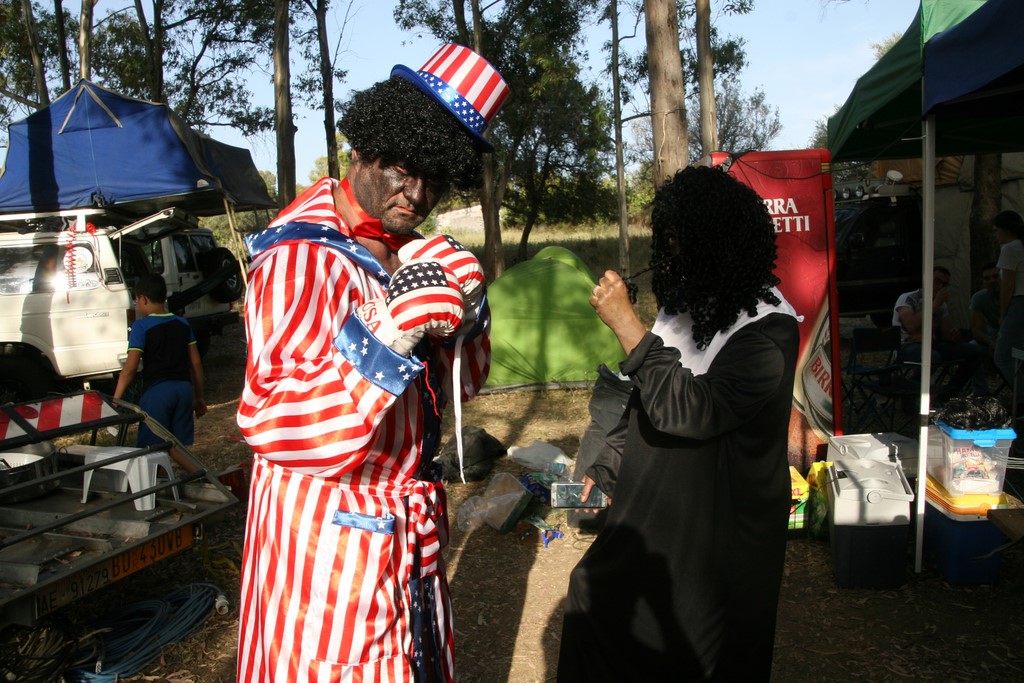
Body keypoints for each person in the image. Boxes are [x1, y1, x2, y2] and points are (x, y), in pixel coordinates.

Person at [234, 44, 508, 682]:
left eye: (435, 180)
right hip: (324, 549)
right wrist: (389, 333)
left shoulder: (412, 249)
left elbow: (460, 388)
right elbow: (275, 425)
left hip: (407, 537)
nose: (417, 195)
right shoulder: (299, 256)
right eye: (404, 171)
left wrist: (468, 318)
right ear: (363, 148)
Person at [557, 166, 800, 681]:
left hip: (718, 532)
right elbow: (645, 401)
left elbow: (691, 410)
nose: (674, 255)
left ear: (722, 243)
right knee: (592, 598)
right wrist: (607, 465)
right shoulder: (688, 306)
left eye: (685, 241)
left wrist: (628, 326)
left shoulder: (770, 330)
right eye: (668, 242)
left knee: (691, 653)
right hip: (658, 510)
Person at [113, 272, 207, 472]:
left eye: (136, 300)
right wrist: (199, 397)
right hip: (183, 389)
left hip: (157, 392)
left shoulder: (141, 326)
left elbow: (130, 368)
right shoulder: (183, 324)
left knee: (154, 448)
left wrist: (116, 399)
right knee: (176, 445)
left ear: (143, 299)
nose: (137, 305)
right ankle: (195, 477)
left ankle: (202, 476)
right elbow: (196, 363)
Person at [893, 265, 984, 400]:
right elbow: (910, 325)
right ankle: (909, 393)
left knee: (975, 351)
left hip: (933, 344)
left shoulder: (942, 305)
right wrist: (934, 305)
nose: (940, 287)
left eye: (945, 284)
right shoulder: (908, 298)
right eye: (937, 281)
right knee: (932, 357)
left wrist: (953, 335)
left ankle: (948, 394)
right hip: (907, 346)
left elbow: (946, 335)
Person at [993, 210, 1024, 400]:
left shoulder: (1010, 249)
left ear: (1005, 230)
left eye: (996, 230)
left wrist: (1002, 314)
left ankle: (1021, 397)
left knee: (1002, 356)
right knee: (1019, 353)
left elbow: (1008, 286)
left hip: (1019, 302)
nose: (995, 235)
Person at [970, 261, 1001, 391]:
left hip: (1016, 338)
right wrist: (989, 342)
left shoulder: (1015, 296)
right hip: (994, 337)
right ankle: (980, 392)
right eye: (987, 278)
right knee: (972, 347)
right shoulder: (979, 298)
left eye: (995, 276)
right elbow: (976, 329)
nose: (992, 281)